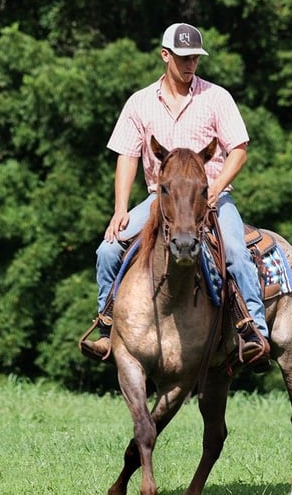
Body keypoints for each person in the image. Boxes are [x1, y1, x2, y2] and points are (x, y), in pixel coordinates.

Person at [79, 23, 270, 366]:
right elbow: (127, 155)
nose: (190, 64)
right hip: (161, 201)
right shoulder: (139, 103)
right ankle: (107, 329)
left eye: (195, 58)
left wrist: (213, 190)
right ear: (165, 55)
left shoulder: (216, 97)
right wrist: (120, 208)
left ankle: (253, 332)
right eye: (183, 57)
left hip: (211, 197)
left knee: (238, 255)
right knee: (108, 249)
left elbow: (239, 149)